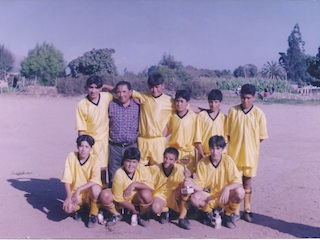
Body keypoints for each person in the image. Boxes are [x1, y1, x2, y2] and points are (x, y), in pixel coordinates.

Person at [226, 83, 268, 223]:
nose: (245, 101)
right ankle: (236, 210)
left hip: (250, 155)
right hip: (234, 155)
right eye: (243, 98)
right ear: (240, 97)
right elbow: (227, 133)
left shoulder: (259, 114)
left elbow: (261, 136)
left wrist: (250, 146)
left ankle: (247, 209)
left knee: (247, 182)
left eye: (248, 98)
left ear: (254, 98)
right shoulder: (233, 111)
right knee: (236, 183)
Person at [187, 135, 245, 229]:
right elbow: (200, 186)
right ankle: (210, 212)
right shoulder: (202, 162)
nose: (215, 152)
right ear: (209, 149)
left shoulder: (228, 160)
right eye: (212, 148)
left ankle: (228, 215)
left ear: (222, 149)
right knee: (194, 198)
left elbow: (238, 182)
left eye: (218, 148)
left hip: (224, 195)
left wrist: (227, 188)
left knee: (240, 191)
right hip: (209, 195)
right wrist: (191, 184)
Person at [76, 75, 113, 188]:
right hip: (90, 142)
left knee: (102, 170)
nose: (93, 90)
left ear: (100, 88)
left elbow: (119, 91)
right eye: (90, 87)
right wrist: (84, 146)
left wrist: (105, 85)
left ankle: (102, 196)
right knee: (89, 170)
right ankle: (89, 200)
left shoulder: (106, 97)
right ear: (87, 88)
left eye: (96, 87)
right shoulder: (82, 104)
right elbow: (81, 129)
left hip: (103, 141)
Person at [61, 135, 102, 228]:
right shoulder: (72, 156)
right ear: (77, 147)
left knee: (96, 188)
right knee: (68, 209)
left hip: (88, 192)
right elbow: (66, 179)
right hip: (75, 194)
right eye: (81, 146)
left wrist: (79, 189)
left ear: (91, 148)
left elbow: (95, 179)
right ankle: (80, 209)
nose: (83, 149)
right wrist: (68, 197)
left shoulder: (95, 159)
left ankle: (93, 212)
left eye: (86, 147)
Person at [108, 81, 140, 187]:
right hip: (114, 147)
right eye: (119, 92)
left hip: (131, 146)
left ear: (130, 92)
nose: (122, 95)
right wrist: (104, 86)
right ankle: (114, 201)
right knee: (114, 175)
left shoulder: (138, 106)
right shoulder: (111, 105)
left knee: (131, 174)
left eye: (124, 92)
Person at [112, 147, 154, 227]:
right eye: (128, 161)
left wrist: (134, 184)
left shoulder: (142, 168)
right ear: (124, 161)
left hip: (136, 198)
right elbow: (118, 198)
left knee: (146, 194)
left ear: (138, 163)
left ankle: (142, 215)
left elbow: (150, 186)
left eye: (134, 162)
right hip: (124, 199)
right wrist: (133, 209)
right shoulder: (119, 173)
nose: (131, 165)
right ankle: (118, 214)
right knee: (105, 195)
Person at [165, 89, 200, 175]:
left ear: (187, 102)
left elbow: (197, 136)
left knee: (187, 176)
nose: (179, 104)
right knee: (174, 176)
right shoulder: (172, 116)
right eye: (177, 101)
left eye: (182, 101)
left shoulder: (193, 116)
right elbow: (165, 131)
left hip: (188, 153)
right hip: (175, 151)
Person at [149, 147, 187, 225]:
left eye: (171, 159)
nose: (167, 161)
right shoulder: (155, 168)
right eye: (165, 158)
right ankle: (165, 211)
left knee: (185, 187)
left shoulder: (180, 169)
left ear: (176, 161)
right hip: (160, 195)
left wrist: (187, 177)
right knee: (155, 208)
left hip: (174, 195)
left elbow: (185, 185)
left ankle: (182, 216)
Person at [195, 89, 227, 159]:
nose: (213, 105)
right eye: (211, 102)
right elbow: (198, 138)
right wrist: (202, 154)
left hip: (220, 155)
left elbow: (225, 139)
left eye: (216, 102)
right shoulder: (202, 115)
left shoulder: (224, 118)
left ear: (220, 102)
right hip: (205, 154)